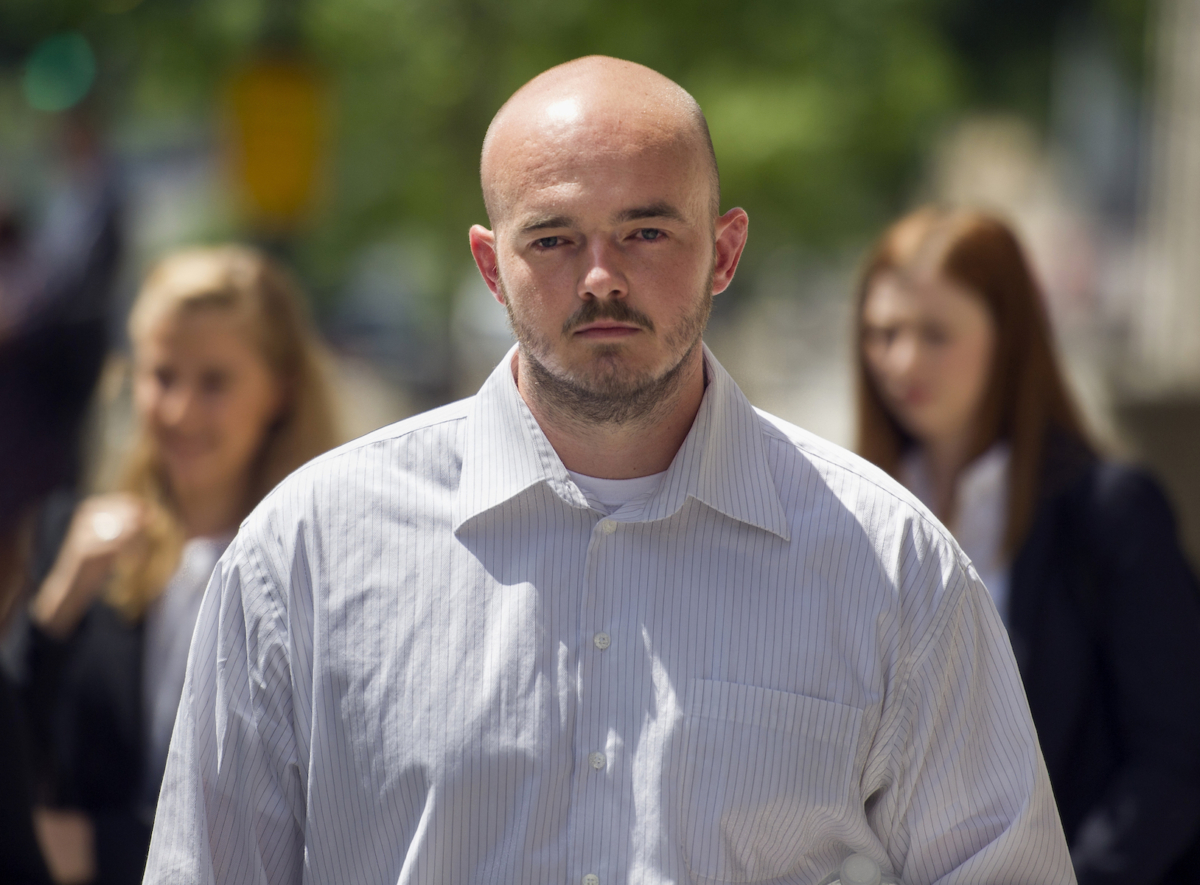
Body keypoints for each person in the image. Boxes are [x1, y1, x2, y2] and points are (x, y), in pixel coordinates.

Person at [145, 58, 1075, 885]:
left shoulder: (892, 564)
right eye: (552, 238)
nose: (599, 277)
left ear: (725, 251)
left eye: (645, 232)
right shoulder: (305, 553)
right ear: (489, 265)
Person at [854, 205, 1200, 884]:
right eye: (881, 332)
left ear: (1008, 337)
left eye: (935, 333)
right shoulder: (849, 509)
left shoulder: (1109, 511)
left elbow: (1176, 757)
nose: (902, 360)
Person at [21, 246, 340, 885]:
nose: (180, 412)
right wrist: (55, 607)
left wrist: (104, 849)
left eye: (215, 382)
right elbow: (18, 749)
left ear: (278, 391)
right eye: (163, 376)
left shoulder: (326, 557)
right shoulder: (77, 536)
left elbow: (327, 804)